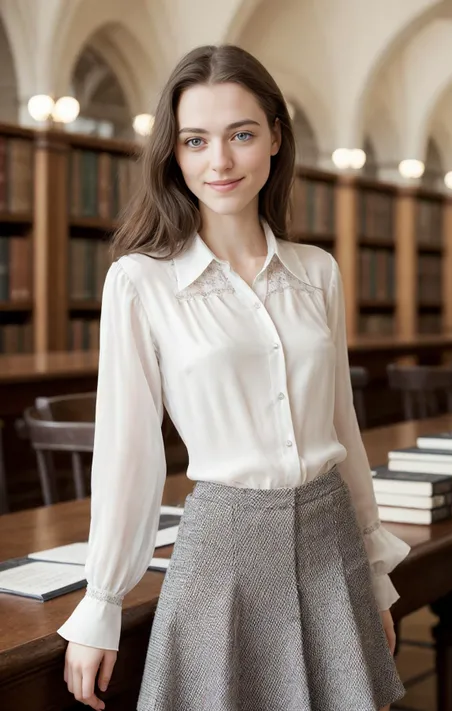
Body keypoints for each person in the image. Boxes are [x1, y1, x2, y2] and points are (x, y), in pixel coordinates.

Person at [57, 44, 411, 711]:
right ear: (174, 152)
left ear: (276, 137)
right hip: (224, 552)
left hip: (332, 542)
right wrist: (101, 601)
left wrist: (373, 573)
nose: (218, 162)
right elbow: (128, 455)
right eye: (195, 140)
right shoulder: (140, 282)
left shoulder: (318, 272)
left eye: (241, 135)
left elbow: (343, 427)